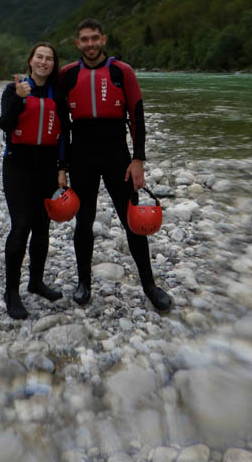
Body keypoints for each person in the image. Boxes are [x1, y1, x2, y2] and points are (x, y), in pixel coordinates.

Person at [60, 18, 172, 312]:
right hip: (81, 154)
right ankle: (84, 282)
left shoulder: (122, 72)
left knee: (132, 220)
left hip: (116, 155)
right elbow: (58, 120)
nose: (90, 44)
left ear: (104, 39)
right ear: (77, 43)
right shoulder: (68, 75)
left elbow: (137, 116)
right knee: (83, 220)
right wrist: (60, 164)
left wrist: (138, 159)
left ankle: (149, 284)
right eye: (84, 39)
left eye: (94, 38)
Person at [0, 42, 70, 320]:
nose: (43, 62)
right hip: (17, 166)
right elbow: (5, 124)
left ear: (54, 64)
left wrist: (63, 168)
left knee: (42, 226)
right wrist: (18, 98)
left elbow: (64, 134)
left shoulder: (57, 94)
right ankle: (11, 292)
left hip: (47, 168)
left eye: (49, 58)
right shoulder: (13, 89)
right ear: (30, 61)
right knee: (21, 226)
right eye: (39, 57)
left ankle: (36, 282)